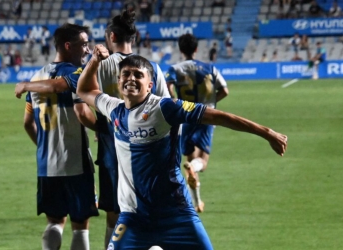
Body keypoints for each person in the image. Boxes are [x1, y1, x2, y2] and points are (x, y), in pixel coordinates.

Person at [76, 46, 288, 250]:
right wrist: (94, 61)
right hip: (133, 218)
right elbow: (84, 89)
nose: (131, 78)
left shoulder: (164, 108)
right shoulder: (113, 109)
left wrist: (266, 132)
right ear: (119, 80)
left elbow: (220, 117)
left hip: (176, 215)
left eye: (138, 75)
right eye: (126, 74)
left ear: (150, 85)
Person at [14, 10, 170, 249]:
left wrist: (104, 128)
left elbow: (57, 115)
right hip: (145, 152)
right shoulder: (151, 69)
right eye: (84, 44)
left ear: (111, 36)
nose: (88, 49)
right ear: (134, 37)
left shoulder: (91, 69)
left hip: (101, 154)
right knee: (146, 214)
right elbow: (167, 112)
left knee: (111, 216)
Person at [16, 23, 99, 250]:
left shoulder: (36, 77)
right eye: (83, 44)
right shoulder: (76, 74)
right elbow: (82, 112)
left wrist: (43, 146)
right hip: (76, 162)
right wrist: (104, 130)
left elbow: (27, 123)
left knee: (54, 222)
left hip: (46, 164)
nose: (87, 49)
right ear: (67, 45)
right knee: (80, 225)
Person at [165, 34, 229, 212]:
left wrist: (175, 102)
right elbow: (225, 90)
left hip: (185, 116)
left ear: (180, 50)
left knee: (190, 158)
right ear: (196, 49)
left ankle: (196, 202)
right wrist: (211, 103)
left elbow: (166, 85)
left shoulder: (175, 68)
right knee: (202, 162)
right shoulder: (209, 67)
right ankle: (194, 169)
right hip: (206, 115)